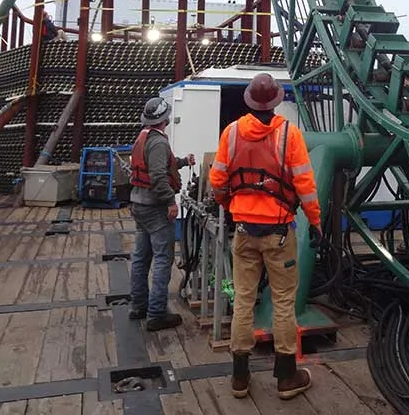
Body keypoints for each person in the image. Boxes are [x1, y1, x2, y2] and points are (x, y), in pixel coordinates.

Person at [209, 73, 322, 400]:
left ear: (249, 100)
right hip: (279, 234)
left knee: (243, 299)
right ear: (275, 101)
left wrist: (230, 204)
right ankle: (287, 377)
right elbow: (306, 186)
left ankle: (240, 378)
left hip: (243, 231)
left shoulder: (231, 133)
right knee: (284, 303)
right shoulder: (290, 135)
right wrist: (316, 222)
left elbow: (217, 179)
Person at [129, 96, 195, 331]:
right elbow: (157, 176)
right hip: (155, 208)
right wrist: (170, 202)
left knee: (141, 257)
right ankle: (156, 313)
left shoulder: (144, 137)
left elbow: (158, 167)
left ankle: (139, 306)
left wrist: (183, 162)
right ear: (165, 119)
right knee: (162, 259)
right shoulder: (158, 143)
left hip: (139, 205)